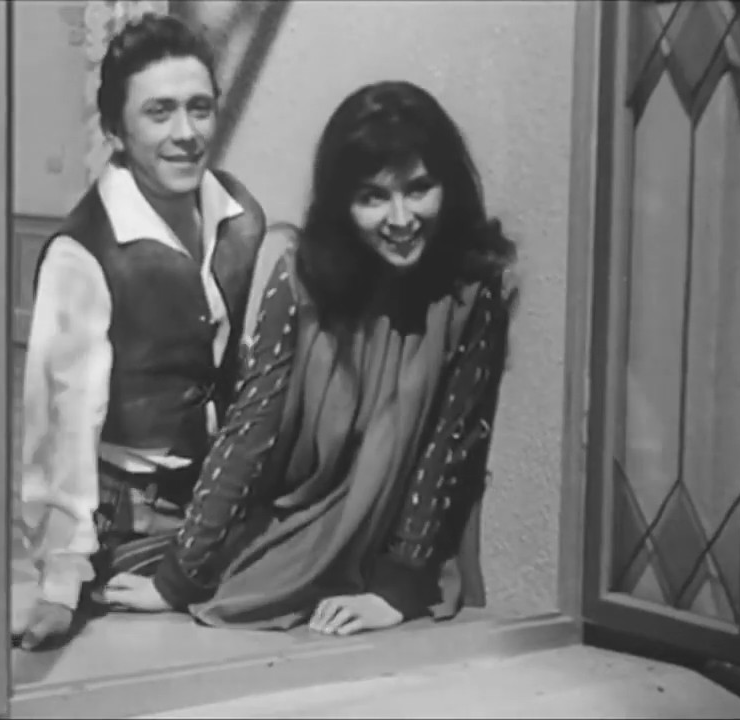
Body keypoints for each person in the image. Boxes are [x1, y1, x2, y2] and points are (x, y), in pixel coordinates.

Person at [100, 79, 518, 636]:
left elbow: (450, 446)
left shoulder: (471, 294)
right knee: (109, 579)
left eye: (418, 189)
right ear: (342, 203)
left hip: (393, 549)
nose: (401, 219)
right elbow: (252, 428)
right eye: (373, 197)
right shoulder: (301, 278)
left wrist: (398, 589)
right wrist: (179, 578)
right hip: (284, 518)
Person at [12, 12, 267, 650]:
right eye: (159, 112)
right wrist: (60, 583)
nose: (186, 133)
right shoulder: (82, 253)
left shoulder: (238, 216)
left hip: (218, 498)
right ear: (115, 131)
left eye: (199, 108)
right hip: (130, 520)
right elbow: (61, 425)